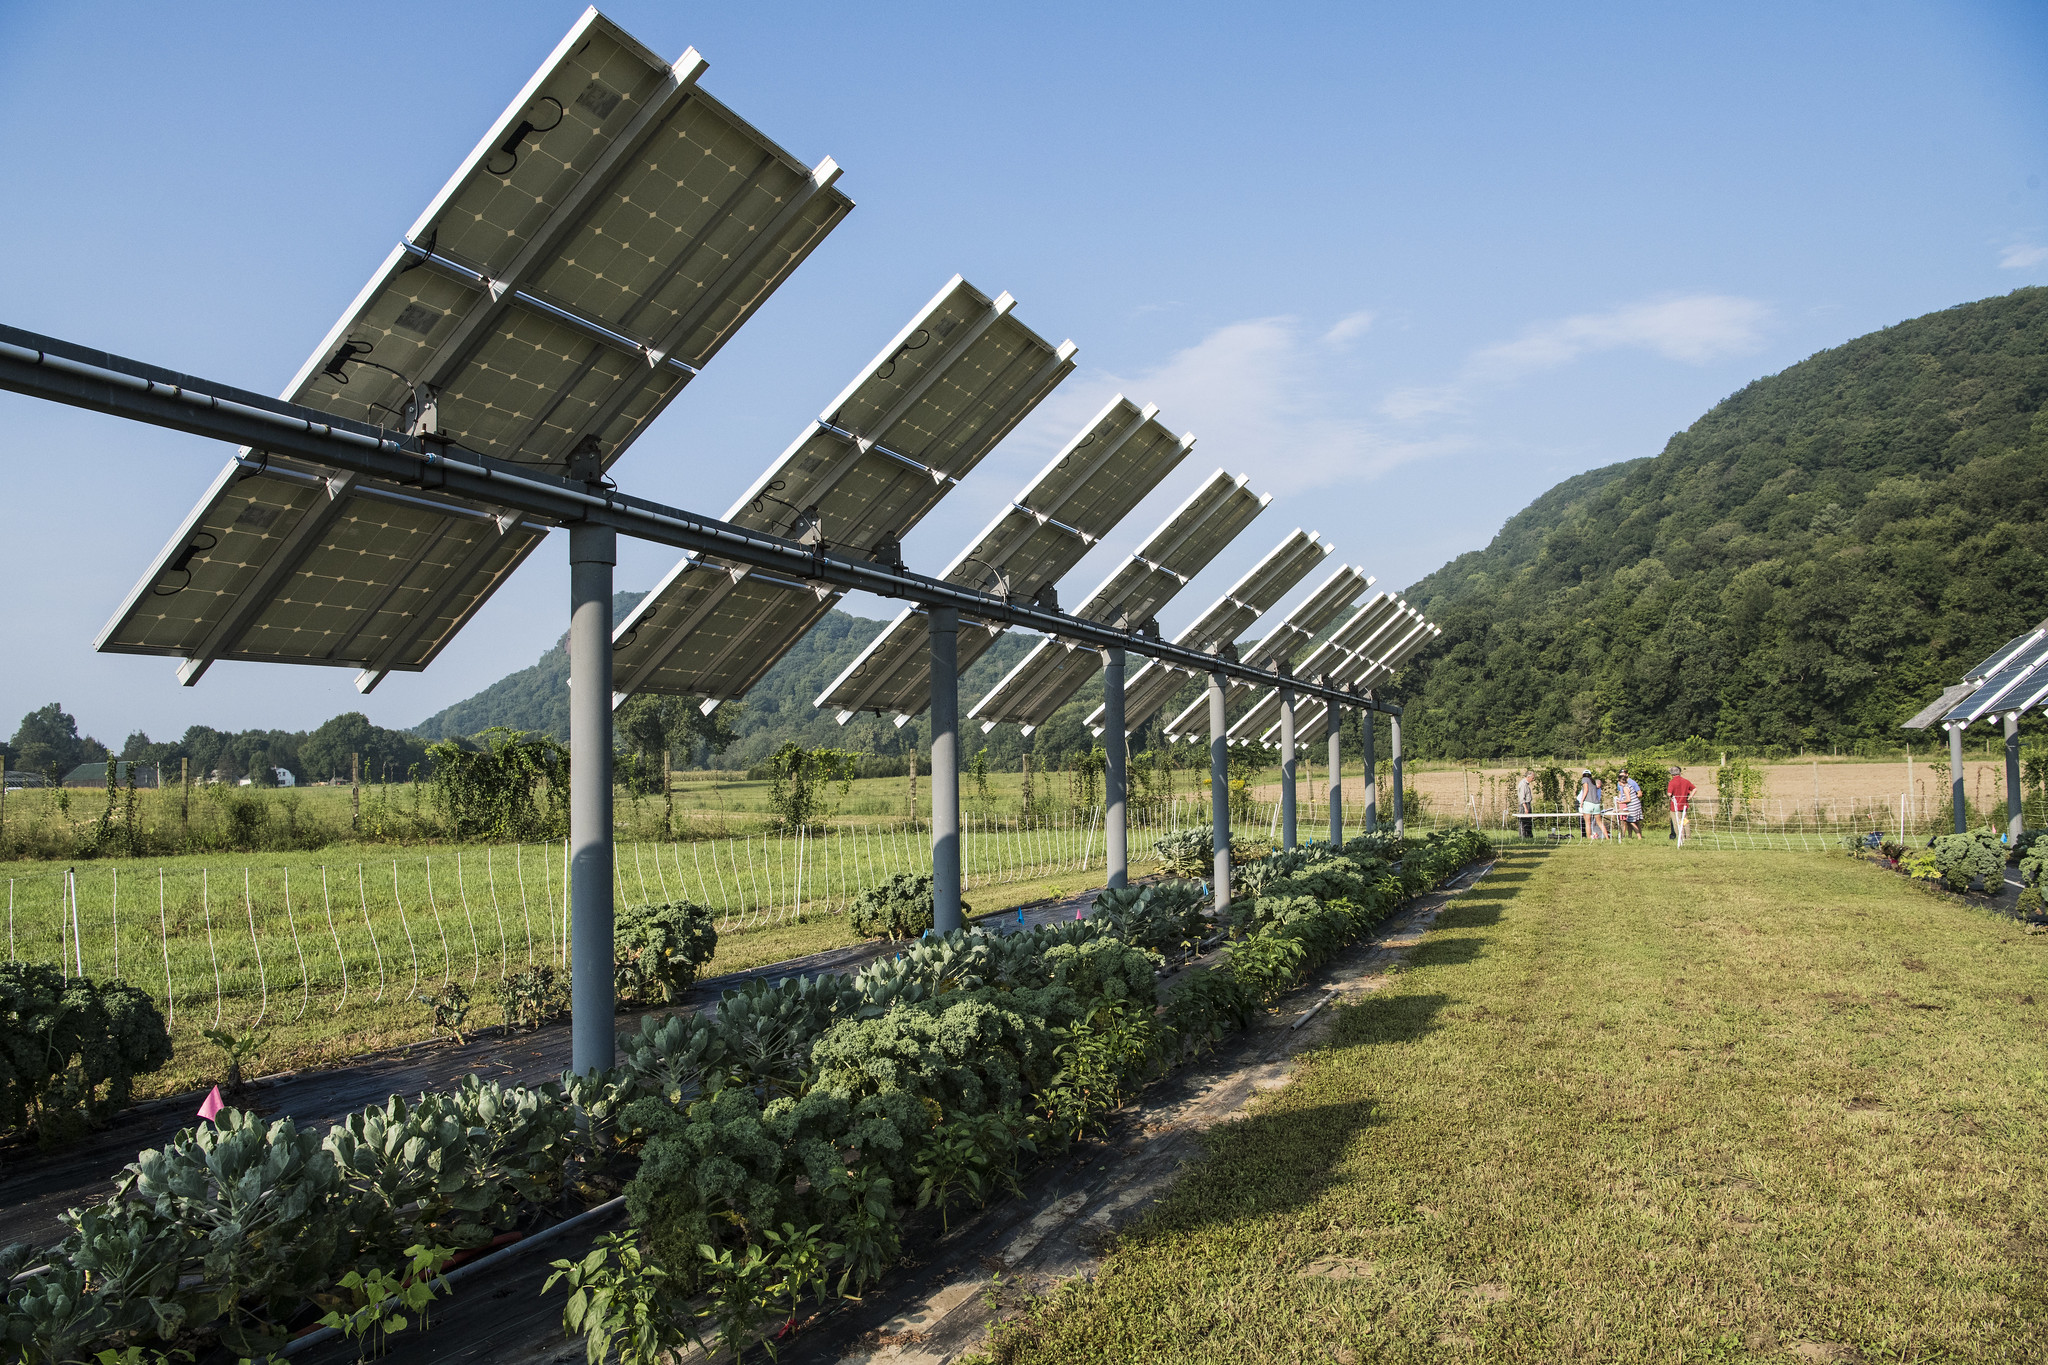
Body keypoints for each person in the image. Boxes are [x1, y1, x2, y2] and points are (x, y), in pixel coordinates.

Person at [1668, 766, 1695, 847]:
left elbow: (1669, 794)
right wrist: (1690, 796)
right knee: (1685, 821)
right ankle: (1688, 837)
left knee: (1677, 822)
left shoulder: (1672, 782)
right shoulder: (1686, 781)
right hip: (1684, 805)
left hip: (1675, 807)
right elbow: (1694, 789)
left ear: (1671, 774)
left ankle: (1681, 837)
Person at [1578, 768, 1606, 839]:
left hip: (1588, 803)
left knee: (1588, 822)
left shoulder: (1584, 780)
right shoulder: (1593, 782)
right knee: (1599, 822)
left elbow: (1586, 790)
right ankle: (1607, 837)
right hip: (1596, 804)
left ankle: (1588, 838)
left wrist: (1581, 802)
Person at [1619, 769, 1644, 839]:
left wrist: (1621, 802)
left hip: (1632, 805)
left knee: (1631, 821)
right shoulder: (1626, 786)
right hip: (1630, 805)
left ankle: (1639, 836)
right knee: (1629, 820)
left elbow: (1629, 799)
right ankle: (1630, 837)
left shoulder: (1627, 786)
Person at [1516, 768, 1535, 839]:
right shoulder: (1523, 784)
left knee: (1528, 822)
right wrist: (1525, 808)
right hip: (1524, 805)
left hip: (1527, 804)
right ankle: (1523, 837)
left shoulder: (1526, 784)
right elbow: (1522, 798)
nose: (1533, 779)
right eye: (1532, 778)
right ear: (1528, 777)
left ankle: (1529, 836)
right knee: (1524, 822)